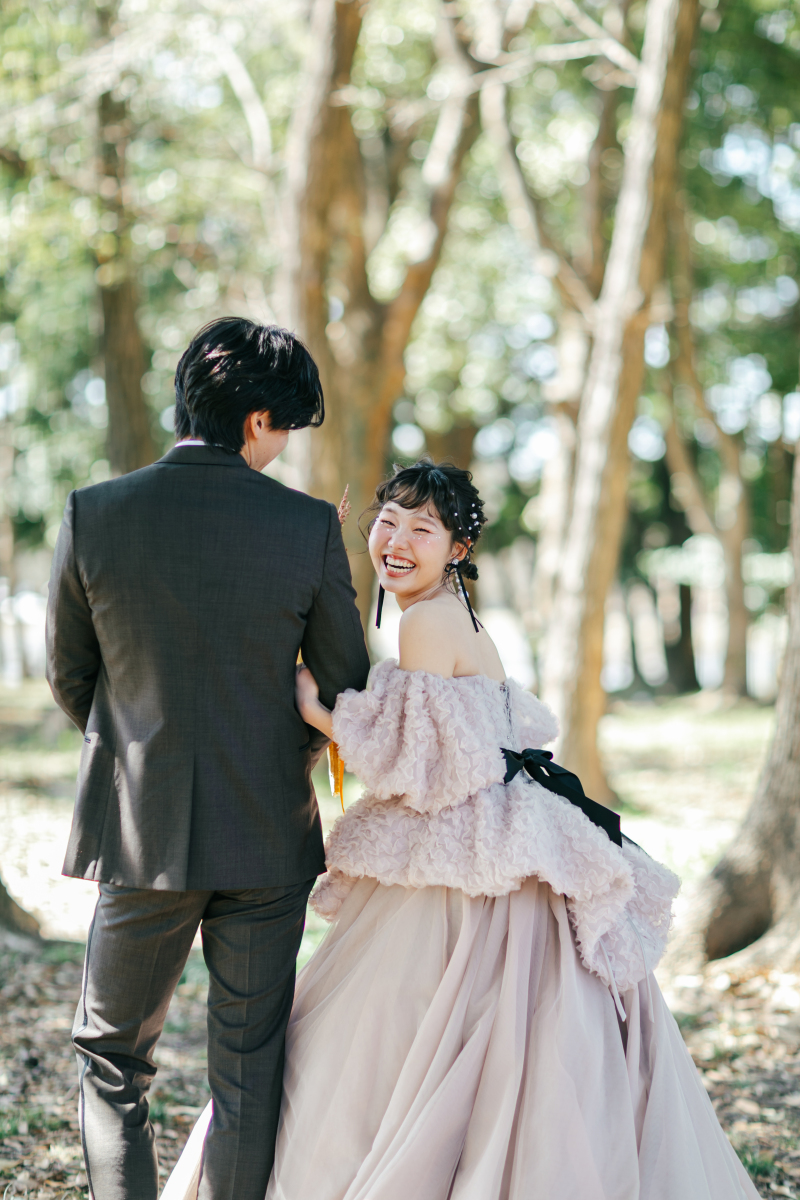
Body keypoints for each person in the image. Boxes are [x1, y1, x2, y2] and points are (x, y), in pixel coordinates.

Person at [167, 458, 759, 1200]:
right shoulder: (457, 616)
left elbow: (418, 764)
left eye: (424, 528)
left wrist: (319, 713)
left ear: (458, 550)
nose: (398, 540)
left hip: (469, 846)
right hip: (509, 824)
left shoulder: (425, 621)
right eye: (388, 520)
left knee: (392, 1026)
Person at [45, 317, 370, 1200]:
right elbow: (345, 686)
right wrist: (282, 750)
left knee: (111, 1057)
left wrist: (138, 740)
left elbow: (72, 676)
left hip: (140, 831)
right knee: (248, 1064)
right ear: (258, 420)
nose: (285, 450)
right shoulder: (307, 528)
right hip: (268, 831)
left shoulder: (94, 511)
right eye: (287, 430)